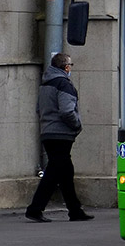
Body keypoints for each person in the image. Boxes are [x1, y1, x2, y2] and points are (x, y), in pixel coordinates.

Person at [25, 52, 93, 223]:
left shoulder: (45, 84)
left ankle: (74, 210)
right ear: (66, 67)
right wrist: (77, 125)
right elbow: (67, 110)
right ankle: (35, 209)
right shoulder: (64, 84)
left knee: (65, 172)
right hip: (61, 134)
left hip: (48, 131)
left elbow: (38, 109)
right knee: (54, 172)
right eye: (70, 66)